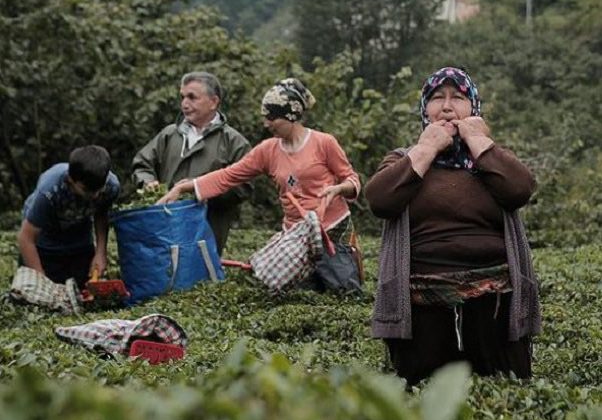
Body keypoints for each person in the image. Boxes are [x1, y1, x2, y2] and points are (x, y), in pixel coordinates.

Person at [365, 66, 541, 386]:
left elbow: (520, 189)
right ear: (424, 110)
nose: (446, 106)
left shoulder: (489, 157)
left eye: (458, 98)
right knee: (420, 395)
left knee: (504, 391)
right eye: (436, 98)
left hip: (494, 304)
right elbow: (379, 200)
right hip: (422, 307)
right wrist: (426, 149)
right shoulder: (404, 158)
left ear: (473, 108)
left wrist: (477, 140)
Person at [157, 77, 361, 264]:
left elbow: (352, 179)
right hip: (296, 235)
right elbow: (229, 175)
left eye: (271, 117)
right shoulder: (268, 150)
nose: (266, 123)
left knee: (340, 286)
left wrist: (338, 189)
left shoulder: (324, 143)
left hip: (332, 229)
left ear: (290, 115)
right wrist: (186, 187)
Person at [132, 71, 252, 254]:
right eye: (182, 97)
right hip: (164, 231)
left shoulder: (234, 142)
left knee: (199, 279)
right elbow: (142, 164)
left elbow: (243, 187)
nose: (184, 104)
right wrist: (147, 181)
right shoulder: (170, 134)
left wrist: (200, 190)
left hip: (206, 234)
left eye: (192, 97)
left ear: (213, 102)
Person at [17, 145, 120, 289]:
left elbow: (101, 215)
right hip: (44, 246)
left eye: (99, 189)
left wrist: (100, 252)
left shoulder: (111, 186)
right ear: (71, 180)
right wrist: (42, 283)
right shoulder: (49, 191)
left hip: (79, 243)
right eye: (87, 190)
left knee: (83, 292)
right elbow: (26, 238)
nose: (95, 196)